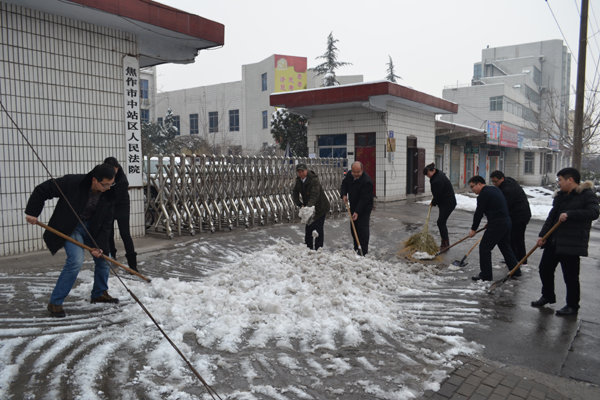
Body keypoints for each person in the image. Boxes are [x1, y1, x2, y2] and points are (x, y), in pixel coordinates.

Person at [25, 164, 119, 318]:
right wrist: (32, 212)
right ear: (94, 180)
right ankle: (55, 302)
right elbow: (42, 190)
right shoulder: (73, 182)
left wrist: (100, 246)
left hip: (93, 228)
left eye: (111, 184)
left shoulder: (109, 194)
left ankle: (99, 293)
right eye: (105, 184)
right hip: (72, 227)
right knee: (75, 261)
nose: (108, 188)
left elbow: (106, 223)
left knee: (104, 258)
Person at [531, 168, 599, 316]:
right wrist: (543, 235)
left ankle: (572, 305)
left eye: (560, 180)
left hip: (571, 243)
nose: (559, 183)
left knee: (570, 276)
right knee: (545, 269)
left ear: (570, 180)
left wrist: (570, 214)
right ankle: (548, 295)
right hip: (554, 241)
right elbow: (552, 217)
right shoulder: (561, 196)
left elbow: (594, 212)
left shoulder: (587, 195)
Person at [467, 175, 519, 281]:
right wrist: (491, 220)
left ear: (479, 184)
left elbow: (478, 213)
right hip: (506, 221)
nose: (472, 189)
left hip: (497, 224)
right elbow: (497, 206)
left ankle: (486, 275)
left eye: (472, 186)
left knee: (485, 247)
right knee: (505, 247)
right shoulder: (494, 189)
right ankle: (515, 270)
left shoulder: (483, 195)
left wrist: (473, 229)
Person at [490, 171, 531, 266]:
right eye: (493, 181)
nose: (494, 184)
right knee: (510, 238)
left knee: (518, 238)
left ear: (502, 179)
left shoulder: (508, 189)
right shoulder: (506, 183)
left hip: (520, 216)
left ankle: (522, 260)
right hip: (514, 215)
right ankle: (512, 258)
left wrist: (495, 219)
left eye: (496, 181)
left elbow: (504, 206)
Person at [104, 157, 138, 272]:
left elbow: (112, 195)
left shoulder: (122, 180)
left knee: (125, 233)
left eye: (115, 169)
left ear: (118, 167)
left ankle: (133, 266)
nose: (114, 172)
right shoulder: (103, 175)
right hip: (109, 205)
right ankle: (112, 260)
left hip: (122, 206)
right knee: (109, 234)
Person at [292, 163, 331, 250]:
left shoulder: (313, 180)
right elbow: (295, 193)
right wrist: (299, 203)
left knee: (318, 229)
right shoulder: (299, 180)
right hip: (309, 207)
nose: (301, 174)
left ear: (307, 170)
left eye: (303, 171)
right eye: (299, 172)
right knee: (309, 228)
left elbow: (314, 196)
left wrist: (308, 208)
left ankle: (318, 250)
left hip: (320, 207)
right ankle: (308, 248)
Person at [340, 161, 374, 256]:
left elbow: (364, 199)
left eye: (358, 172)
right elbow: (344, 185)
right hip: (353, 205)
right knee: (354, 227)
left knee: (362, 229)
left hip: (364, 208)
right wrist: (344, 194)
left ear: (362, 170)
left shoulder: (367, 181)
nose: (356, 174)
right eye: (354, 172)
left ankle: (363, 252)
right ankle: (356, 248)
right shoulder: (349, 176)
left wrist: (357, 212)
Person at [423, 163, 457, 250]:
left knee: (441, 222)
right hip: (445, 202)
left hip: (448, 203)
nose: (428, 176)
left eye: (428, 174)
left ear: (433, 171)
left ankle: (445, 243)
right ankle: (445, 242)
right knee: (441, 222)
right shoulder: (438, 174)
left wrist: (433, 202)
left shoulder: (437, 180)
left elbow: (438, 194)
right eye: (426, 175)